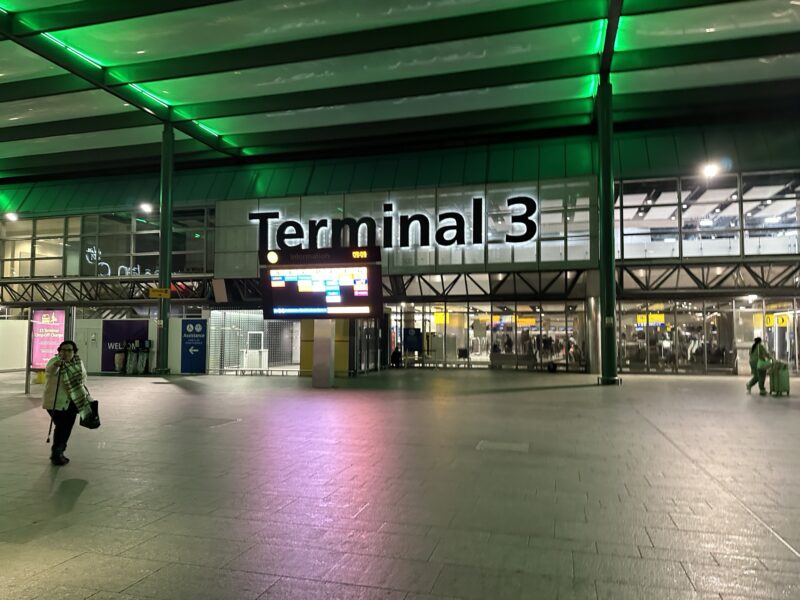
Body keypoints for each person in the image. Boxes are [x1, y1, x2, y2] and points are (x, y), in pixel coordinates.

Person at [42, 340, 93, 466]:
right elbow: (49, 371)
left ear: (74, 352)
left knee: (66, 427)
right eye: (63, 350)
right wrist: (56, 366)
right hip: (56, 403)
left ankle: (58, 452)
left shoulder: (78, 362)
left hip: (73, 401)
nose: (66, 352)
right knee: (62, 426)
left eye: (69, 350)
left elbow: (83, 378)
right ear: (59, 351)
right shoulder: (55, 362)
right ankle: (57, 452)